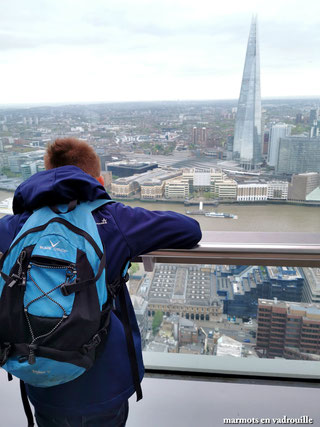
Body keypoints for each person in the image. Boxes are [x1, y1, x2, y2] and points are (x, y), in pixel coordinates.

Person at [0, 137, 202, 426]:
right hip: (103, 384)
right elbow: (190, 229)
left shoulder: (19, 225)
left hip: (39, 376)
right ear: (97, 179)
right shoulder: (114, 219)